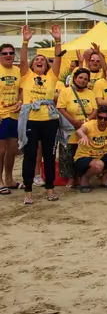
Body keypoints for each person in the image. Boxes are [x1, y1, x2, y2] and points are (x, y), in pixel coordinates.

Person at [18, 25, 63, 204]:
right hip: (31, 120)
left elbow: (58, 59)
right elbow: (22, 61)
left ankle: (50, 189)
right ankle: (28, 191)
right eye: (36, 59)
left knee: (49, 155)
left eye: (42, 60)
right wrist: (25, 41)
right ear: (32, 63)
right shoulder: (26, 75)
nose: (39, 61)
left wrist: (58, 41)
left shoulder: (52, 77)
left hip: (49, 120)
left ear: (46, 65)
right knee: (29, 156)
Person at [57, 68, 98, 187]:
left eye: (85, 79)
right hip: (69, 128)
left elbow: (95, 109)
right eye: (80, 78)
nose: (83, 81)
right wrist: (74, 121)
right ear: (75, 78)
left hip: (85, 128)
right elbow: (61, 108)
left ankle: (81, 177)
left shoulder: (90, 93)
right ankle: (71, 178)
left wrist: (86, 121)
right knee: (68, 155)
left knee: (83, 155)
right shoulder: (66, 92)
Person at [0, 42, 21, 194]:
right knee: (1, 150)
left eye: (11, 53)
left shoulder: (17, 71)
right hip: (1, 115)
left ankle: (9, 179)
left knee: (12, 149)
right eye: (4, 53)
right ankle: (0, 181)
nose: (8, 55)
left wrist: (20, 100)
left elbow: (21, 90)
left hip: (14, 114)